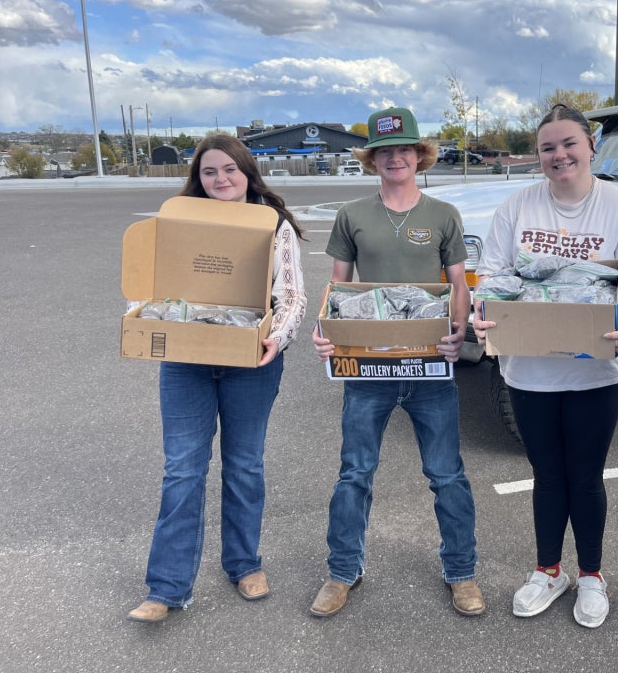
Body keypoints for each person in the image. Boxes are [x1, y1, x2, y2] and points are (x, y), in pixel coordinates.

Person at [472, 103, 618, 628]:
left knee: (586, 477)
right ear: (538, 157)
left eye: (569, 144)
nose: (559, 155)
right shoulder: (517, 207)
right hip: (528, 371)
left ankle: (593, 576)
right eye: (547, 148)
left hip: (596, 372)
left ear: (591, 147)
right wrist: (482, 311)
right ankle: (549, 571)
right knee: (547, 476)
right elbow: (489, 277)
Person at [309, 107, 484, 618]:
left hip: (429, 367)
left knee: (447, 474)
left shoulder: (443, 214)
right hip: (368, 369)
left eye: (404, 149)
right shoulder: (353, 215)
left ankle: (462, 572)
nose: (395, 157)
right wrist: (328, 333)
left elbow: (456, 285)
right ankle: (343, 571)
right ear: (374, 159)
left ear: (419, 155)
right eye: (385, 150)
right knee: (354, 474)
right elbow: (339, 288)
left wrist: (459, 334)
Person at [128, 134, 307, 622]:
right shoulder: (179, 220)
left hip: (251, 358)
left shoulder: (274, 227)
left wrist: (279, 336)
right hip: (186, 356)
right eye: (209, 172)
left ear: (247, 172)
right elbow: (147, 285)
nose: (220, 179)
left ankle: (244, 564)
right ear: (197, 178)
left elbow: (291, 295)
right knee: (183, 468)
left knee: (244, 465)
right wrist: (145, 317)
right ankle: (166, 587)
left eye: (229, 169)